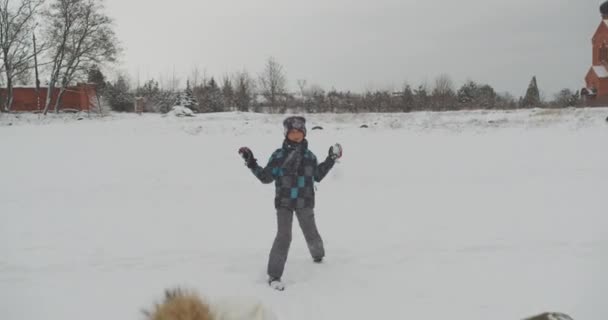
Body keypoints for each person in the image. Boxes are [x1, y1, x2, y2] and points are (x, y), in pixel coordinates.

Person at [238, 116, 342, 291]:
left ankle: (318, 256)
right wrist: (251, 162)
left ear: (304, 133)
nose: (295, 136)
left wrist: (330, 159)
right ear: (286, 134)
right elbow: (266, 177)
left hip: (305, 202)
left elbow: (317, 175)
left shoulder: (309, 156)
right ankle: (274, 275)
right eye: (292, 132)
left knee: (311, 232)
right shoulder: (278, 156)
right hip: (284, 203)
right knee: (284, 236)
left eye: (299, 132)